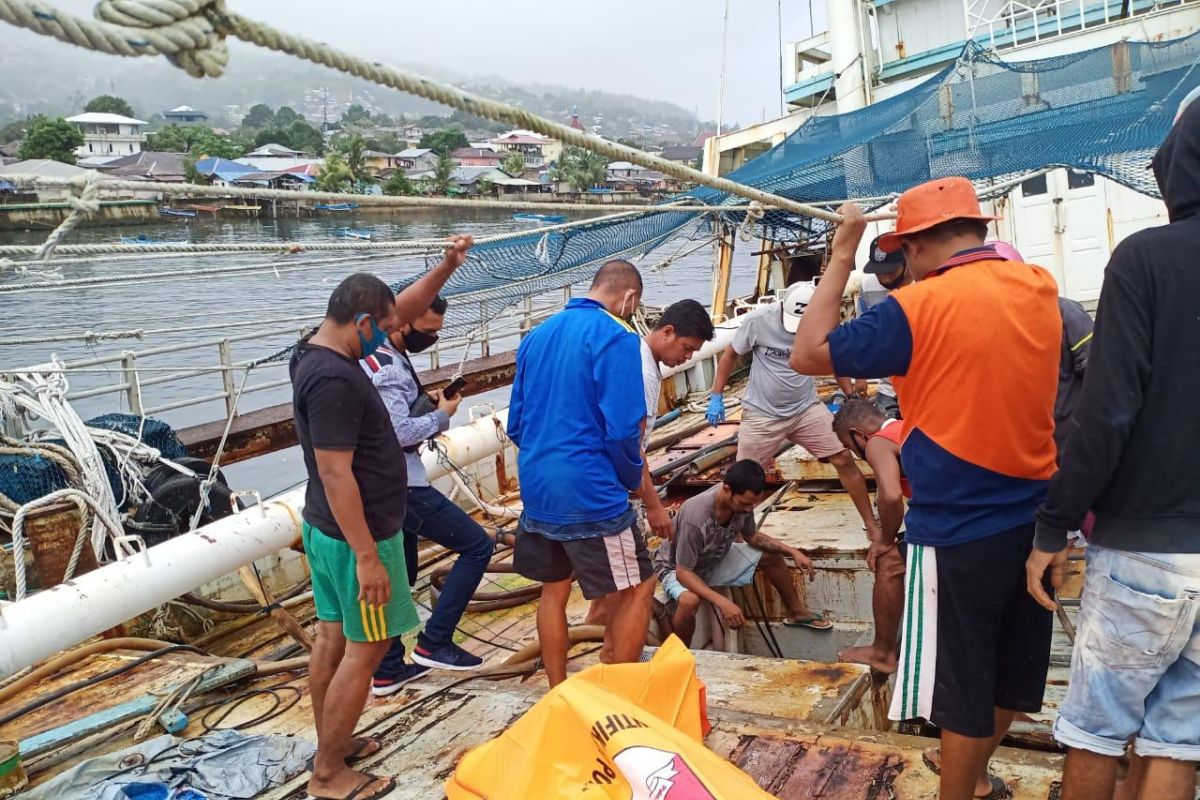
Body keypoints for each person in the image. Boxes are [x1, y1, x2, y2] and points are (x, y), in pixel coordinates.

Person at [791, 180, 1060, 800]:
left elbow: (808, 351)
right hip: (1039, 521)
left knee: (961, 683)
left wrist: (840, 253)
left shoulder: (918, 307)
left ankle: (957, 793)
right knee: (1013, 674)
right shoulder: (1039, 286)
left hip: (959, 529)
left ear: (913, 247)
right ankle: (978, 781)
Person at [1025, 95, 1200, 800]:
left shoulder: (1145, 260)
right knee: (1181, 736)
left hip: (1142, 553)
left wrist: (1051, 526)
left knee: (1095, 727)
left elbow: (1107, 414)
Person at [291, 235, 471, 800]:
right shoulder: (338, 380)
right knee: (366, 649)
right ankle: (329, 775)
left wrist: (447, 266)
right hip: (359, 534)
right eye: (384, 326)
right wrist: (369, 554)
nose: (395, 333)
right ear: (363, 321)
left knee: (331, 638)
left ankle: (333, 744)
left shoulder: (312, 352)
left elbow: (407, 307)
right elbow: (338, 472)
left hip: (323, 528)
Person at [507, 259, 651, 687]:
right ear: (629, 298)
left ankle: (557, 688)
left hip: (537, 486)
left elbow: (516, 422)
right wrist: (630, 479)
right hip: (590, 491)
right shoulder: (617, 335)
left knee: (553, 591)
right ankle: (620, 693)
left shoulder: (536, 336)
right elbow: (624, 428)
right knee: (637, 587)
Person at [361, 293, 495, 694]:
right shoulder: (386, 366)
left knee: (401, 568)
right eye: (428, 331)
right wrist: (442, 416)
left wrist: (425, 406)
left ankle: (387, 667)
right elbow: (397, 432)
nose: (432, 339)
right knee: (476, 546)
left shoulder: (379, 358)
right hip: (402, 485)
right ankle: (435, 641)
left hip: (382, 484)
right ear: (402, 321)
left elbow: (392, 417)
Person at [706, 281, 883, 566]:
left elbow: (837, 360)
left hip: (805, 409)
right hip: (762, 413)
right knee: (741, 479)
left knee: (843, 458)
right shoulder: (757, 321)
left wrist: (849, 396)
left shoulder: (823, 324)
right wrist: (716, 395)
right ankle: (736, 537)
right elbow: (730, 354)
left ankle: (871, 524)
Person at [583, 298, 716, 651]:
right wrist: (653, 504)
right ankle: (610, 654)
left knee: (612, 585)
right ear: (667, 331)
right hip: (611, 493)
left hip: (610, 485)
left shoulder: (647, 365)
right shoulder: (639, 370)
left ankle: (598, 645)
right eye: (686, 349)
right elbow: (630, 442)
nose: (687, 359)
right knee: (634, 582)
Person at [652, 459, 822, 646]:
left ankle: (796, 612)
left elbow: (752, 536)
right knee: (689, 601)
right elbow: (683, 572)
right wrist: (723, 603)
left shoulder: (743, 504)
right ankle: (680, 654)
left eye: (752, 504)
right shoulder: (695, 516)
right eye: (744, 503)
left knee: (771, 556)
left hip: (713, 558)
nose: (749, 509)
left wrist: (792, 551)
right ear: (726, 489)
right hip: (676, 568)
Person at [830, 399, 907, 673]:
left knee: (889, 563)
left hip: (952, 522)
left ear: (857, 434)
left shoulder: (877, 442)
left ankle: (882, 653)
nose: (857, 455)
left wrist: (885, 541)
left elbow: (890, 495)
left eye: (851, 448)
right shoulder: (903, 428)